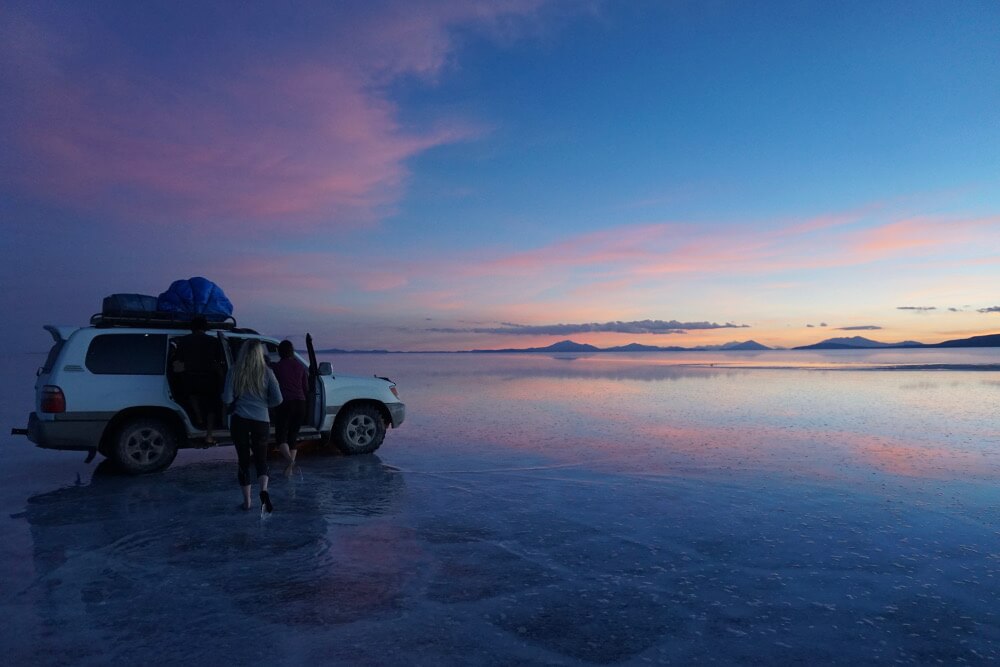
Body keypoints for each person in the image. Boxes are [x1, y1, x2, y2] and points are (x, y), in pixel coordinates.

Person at [223, 339, 282, 512]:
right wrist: (264, 405)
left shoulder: (234, 370)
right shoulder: (267, 372)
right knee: (261, 460)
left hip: (239, 420)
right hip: (261, 420)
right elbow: (278, 399)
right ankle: (263, 491)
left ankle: (247, 502)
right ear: (259, 353)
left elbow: (227, 399)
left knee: (243, 461)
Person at [172, 316, 224, 445]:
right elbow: (219, 361)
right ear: (205, 327)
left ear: (192, 327)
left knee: (193, 396)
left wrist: (179, 373)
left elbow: (178, 361)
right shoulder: (213, 341)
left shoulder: (183, 341)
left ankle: (198, 417)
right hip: (209, 377)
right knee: (211, 406)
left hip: (190, 377)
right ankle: (209, 435)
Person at [271, 340, 309, 465]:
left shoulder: (276, 367)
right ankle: (289, 470)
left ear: (279, 352)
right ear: (292, 351)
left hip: (285, 403)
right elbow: (305, 388)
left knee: (281, 437)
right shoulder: (300, 366)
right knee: (293, 436)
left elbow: (272, 387)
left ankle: (290, 461)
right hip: (301, 404)